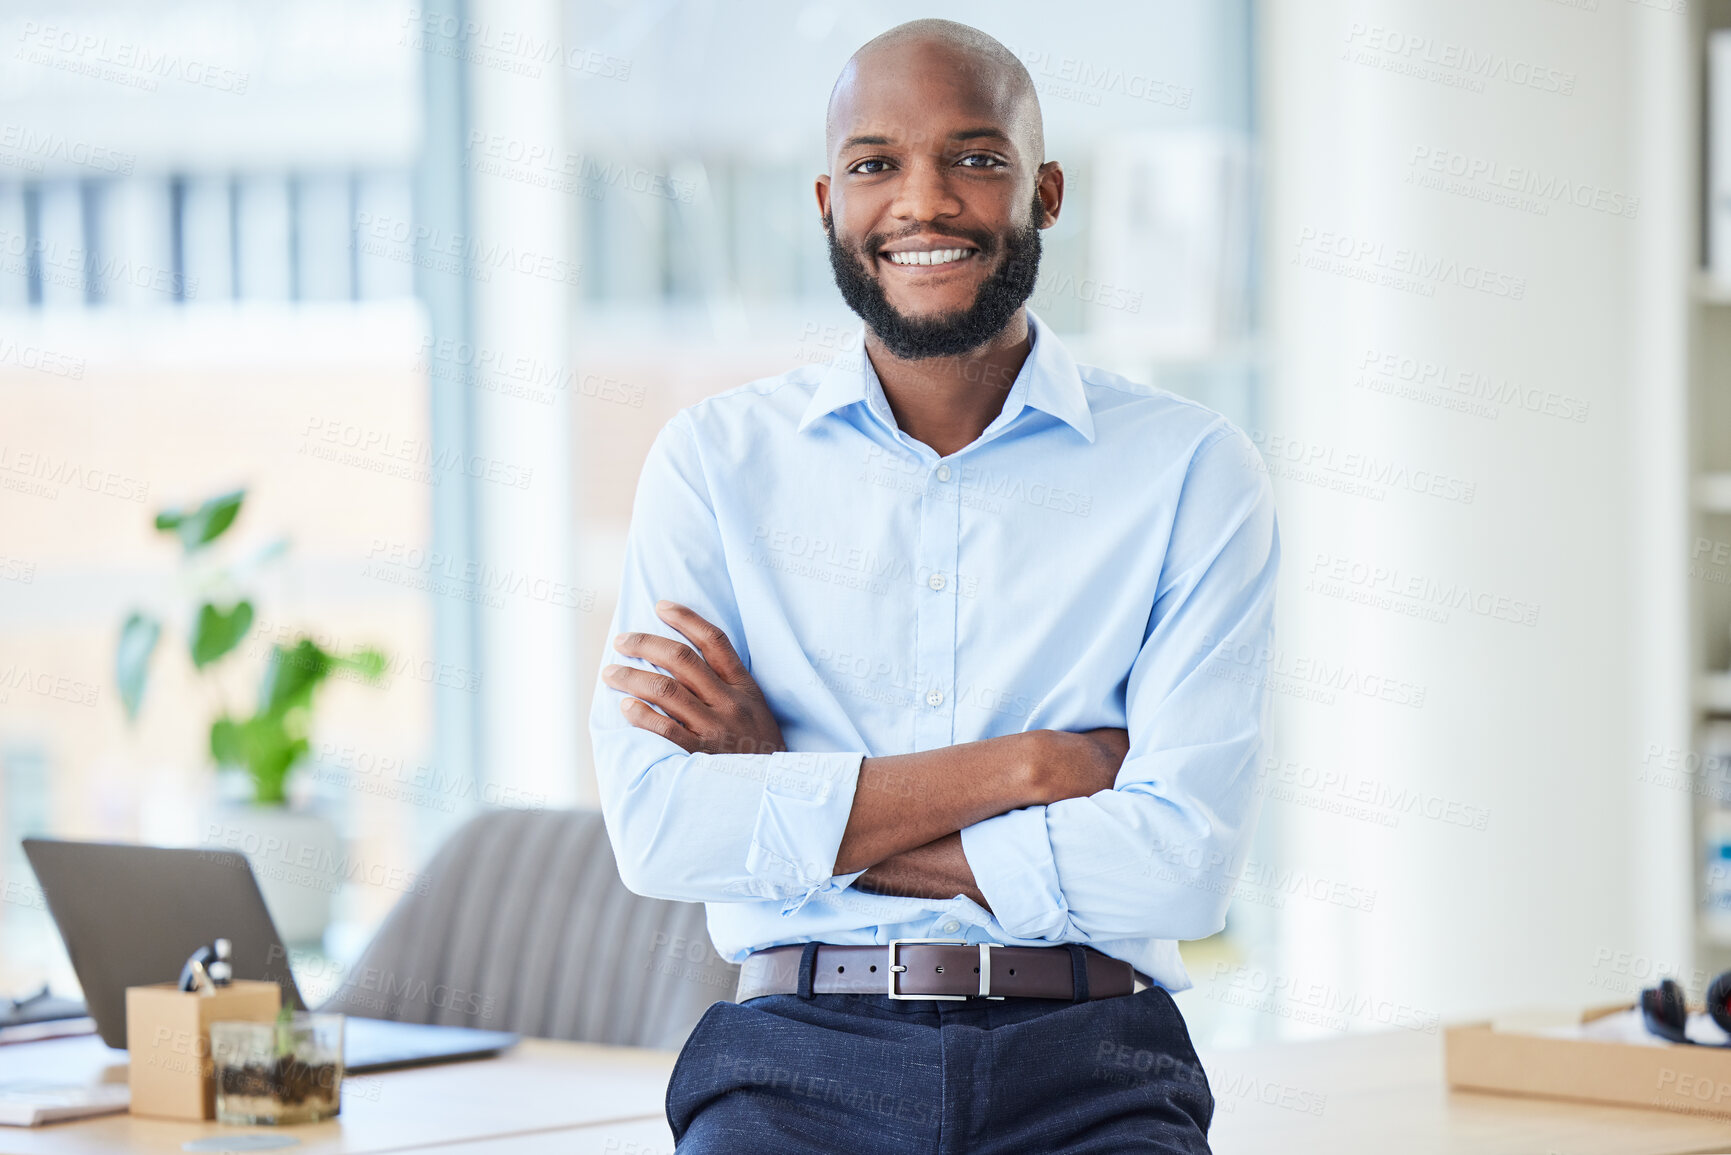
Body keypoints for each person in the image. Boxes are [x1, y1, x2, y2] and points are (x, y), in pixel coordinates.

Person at [589, 17, 1278, 1154]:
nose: (924, 202)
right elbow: (661, 831)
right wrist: (1027, 770)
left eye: (975, 157)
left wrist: (783, 789)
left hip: (1094, 1062)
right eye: (875, 165)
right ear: (826, 202)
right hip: (790, 1059)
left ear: (1044, 192)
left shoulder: (1192, 473)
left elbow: (1180, 870)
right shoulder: (713, 464)